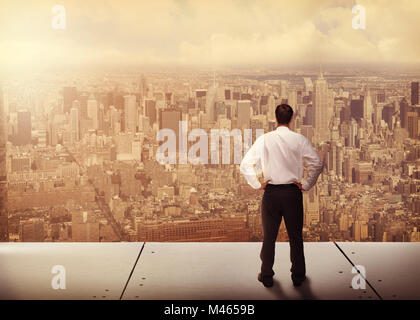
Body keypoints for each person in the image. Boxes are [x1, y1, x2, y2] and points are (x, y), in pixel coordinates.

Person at [240, 104, 323, 287]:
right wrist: (306, 185)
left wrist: (256, 184)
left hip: (271, 193)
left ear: (275, 118)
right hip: (292, 193)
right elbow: (317, 164)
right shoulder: (299, 140)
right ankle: (298, 276)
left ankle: (267, 275)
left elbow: (245, 165)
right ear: (292, 119)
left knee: (269, 236)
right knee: (295, 236)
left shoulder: (265, 139)